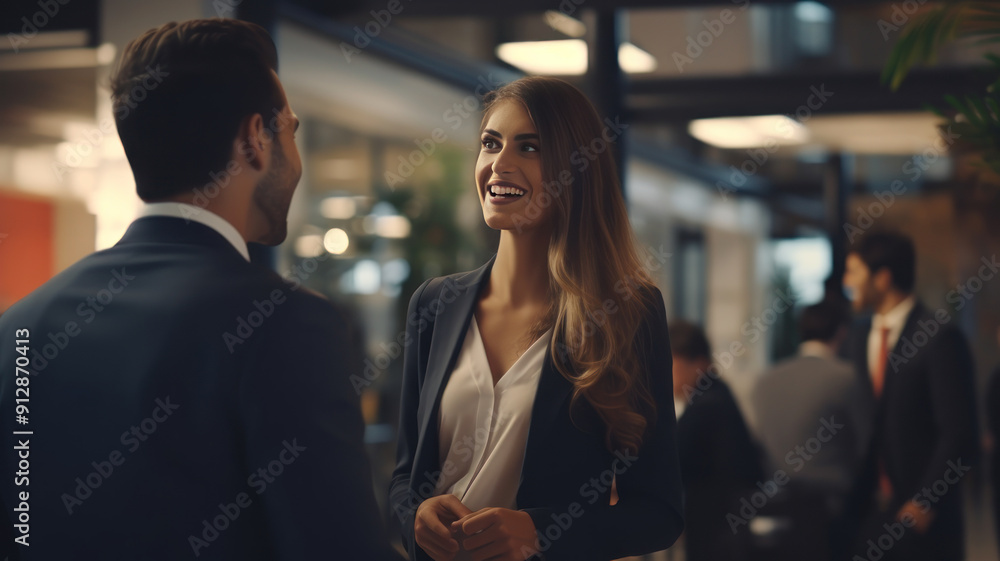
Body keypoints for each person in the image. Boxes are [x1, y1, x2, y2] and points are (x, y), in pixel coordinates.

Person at [0, 19, 400, 560]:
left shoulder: (20, 326)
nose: (296, 156)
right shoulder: (286, 324)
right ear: (255, 139)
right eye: (292, 132)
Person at [388, 76, 684, 561]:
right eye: (490, 143)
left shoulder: (628, 312)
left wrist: (541, 532)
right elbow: (403, 478)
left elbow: (658, 512)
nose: (498, 165)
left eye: (529, 148)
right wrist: (414, 517)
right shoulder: (434, 303)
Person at [842, 231, 979, 561]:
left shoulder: (938, 336)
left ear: (883, 278)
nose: (847, 282)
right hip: (868, 514)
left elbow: (958, 431)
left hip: (921, 522)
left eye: (854, 272)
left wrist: (925, 501)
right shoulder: (857, 339)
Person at [751, 301, 871, 560]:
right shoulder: (847, 378)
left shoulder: (766, 380)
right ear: (841, 331)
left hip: (776, 509)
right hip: (833, 515)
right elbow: (866, 445)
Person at [670, 320, 761, 561]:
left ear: (697, 363)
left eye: (670, 365)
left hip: (717, 531)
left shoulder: (708, 403)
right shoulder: (715, 393)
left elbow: (670, 459)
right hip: (725, 525)